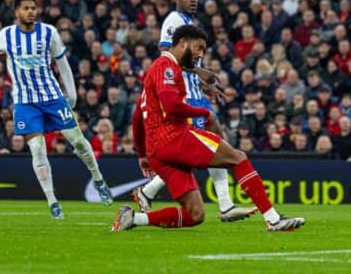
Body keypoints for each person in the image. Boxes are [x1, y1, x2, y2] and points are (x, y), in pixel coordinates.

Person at [111, 25, 305, 232]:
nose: (200, 54)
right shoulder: (166, 66)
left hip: (157, 151)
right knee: (238, 158)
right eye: (198, 47)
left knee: (195, 214)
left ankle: (133, 219)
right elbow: (171, 106)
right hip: (173, 137)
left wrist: (142, 154)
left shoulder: (156, 74)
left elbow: (137, 116)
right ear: (183, 42)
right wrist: (204, 113)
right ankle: (274, 219)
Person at [133, 0, 255, 222]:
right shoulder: (174, 21)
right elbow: (167, 57)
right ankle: (148, 192)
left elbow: (187, 66)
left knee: (214, 142)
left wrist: (203, 84)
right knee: (204, 147)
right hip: (182, 97)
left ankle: (225, 204)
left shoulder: (188, 24)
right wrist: (202, 73)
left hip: (194, 93)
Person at [0, 0, 112, 218]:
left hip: (53, 98)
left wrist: (72, 94)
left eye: (33, 8)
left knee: (78, 141)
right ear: (17, 12)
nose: (31, 12)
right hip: (26, 102)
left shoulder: (49, 32)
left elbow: (62, 64)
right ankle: (53, 202)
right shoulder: (6, 36)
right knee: (37, 149)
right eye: (26, 8)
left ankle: (98, 179)